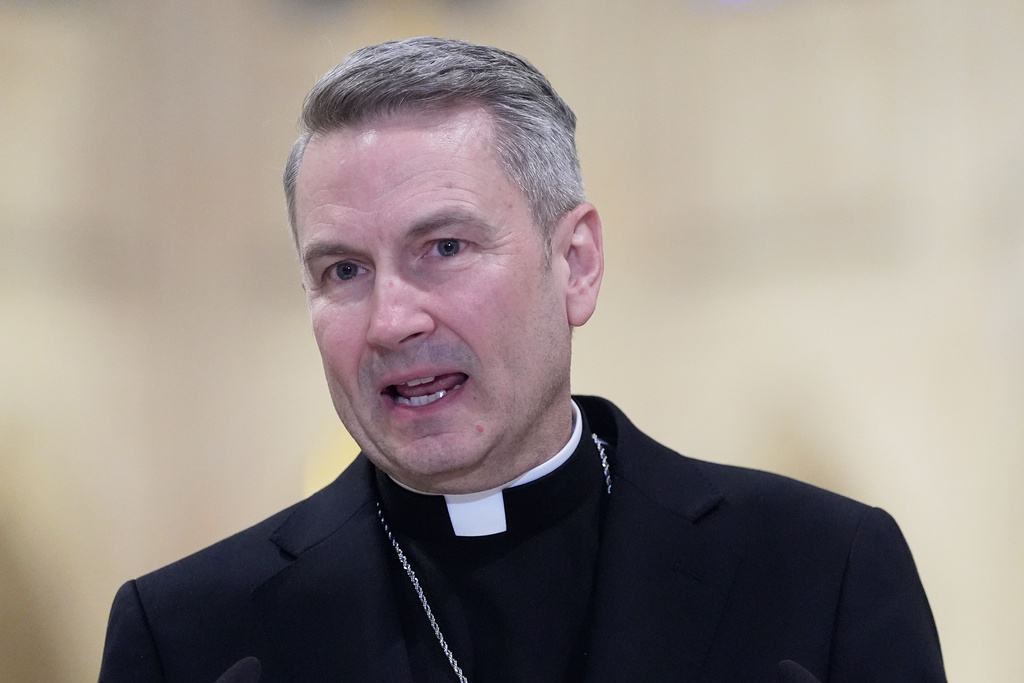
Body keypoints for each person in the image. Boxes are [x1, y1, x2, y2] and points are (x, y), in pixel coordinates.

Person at [98, 37, 946, 683]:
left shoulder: (818, 573)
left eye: (444, 247)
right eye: (343, 270)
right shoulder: (189, 638)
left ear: (574, 262)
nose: (391, 319)